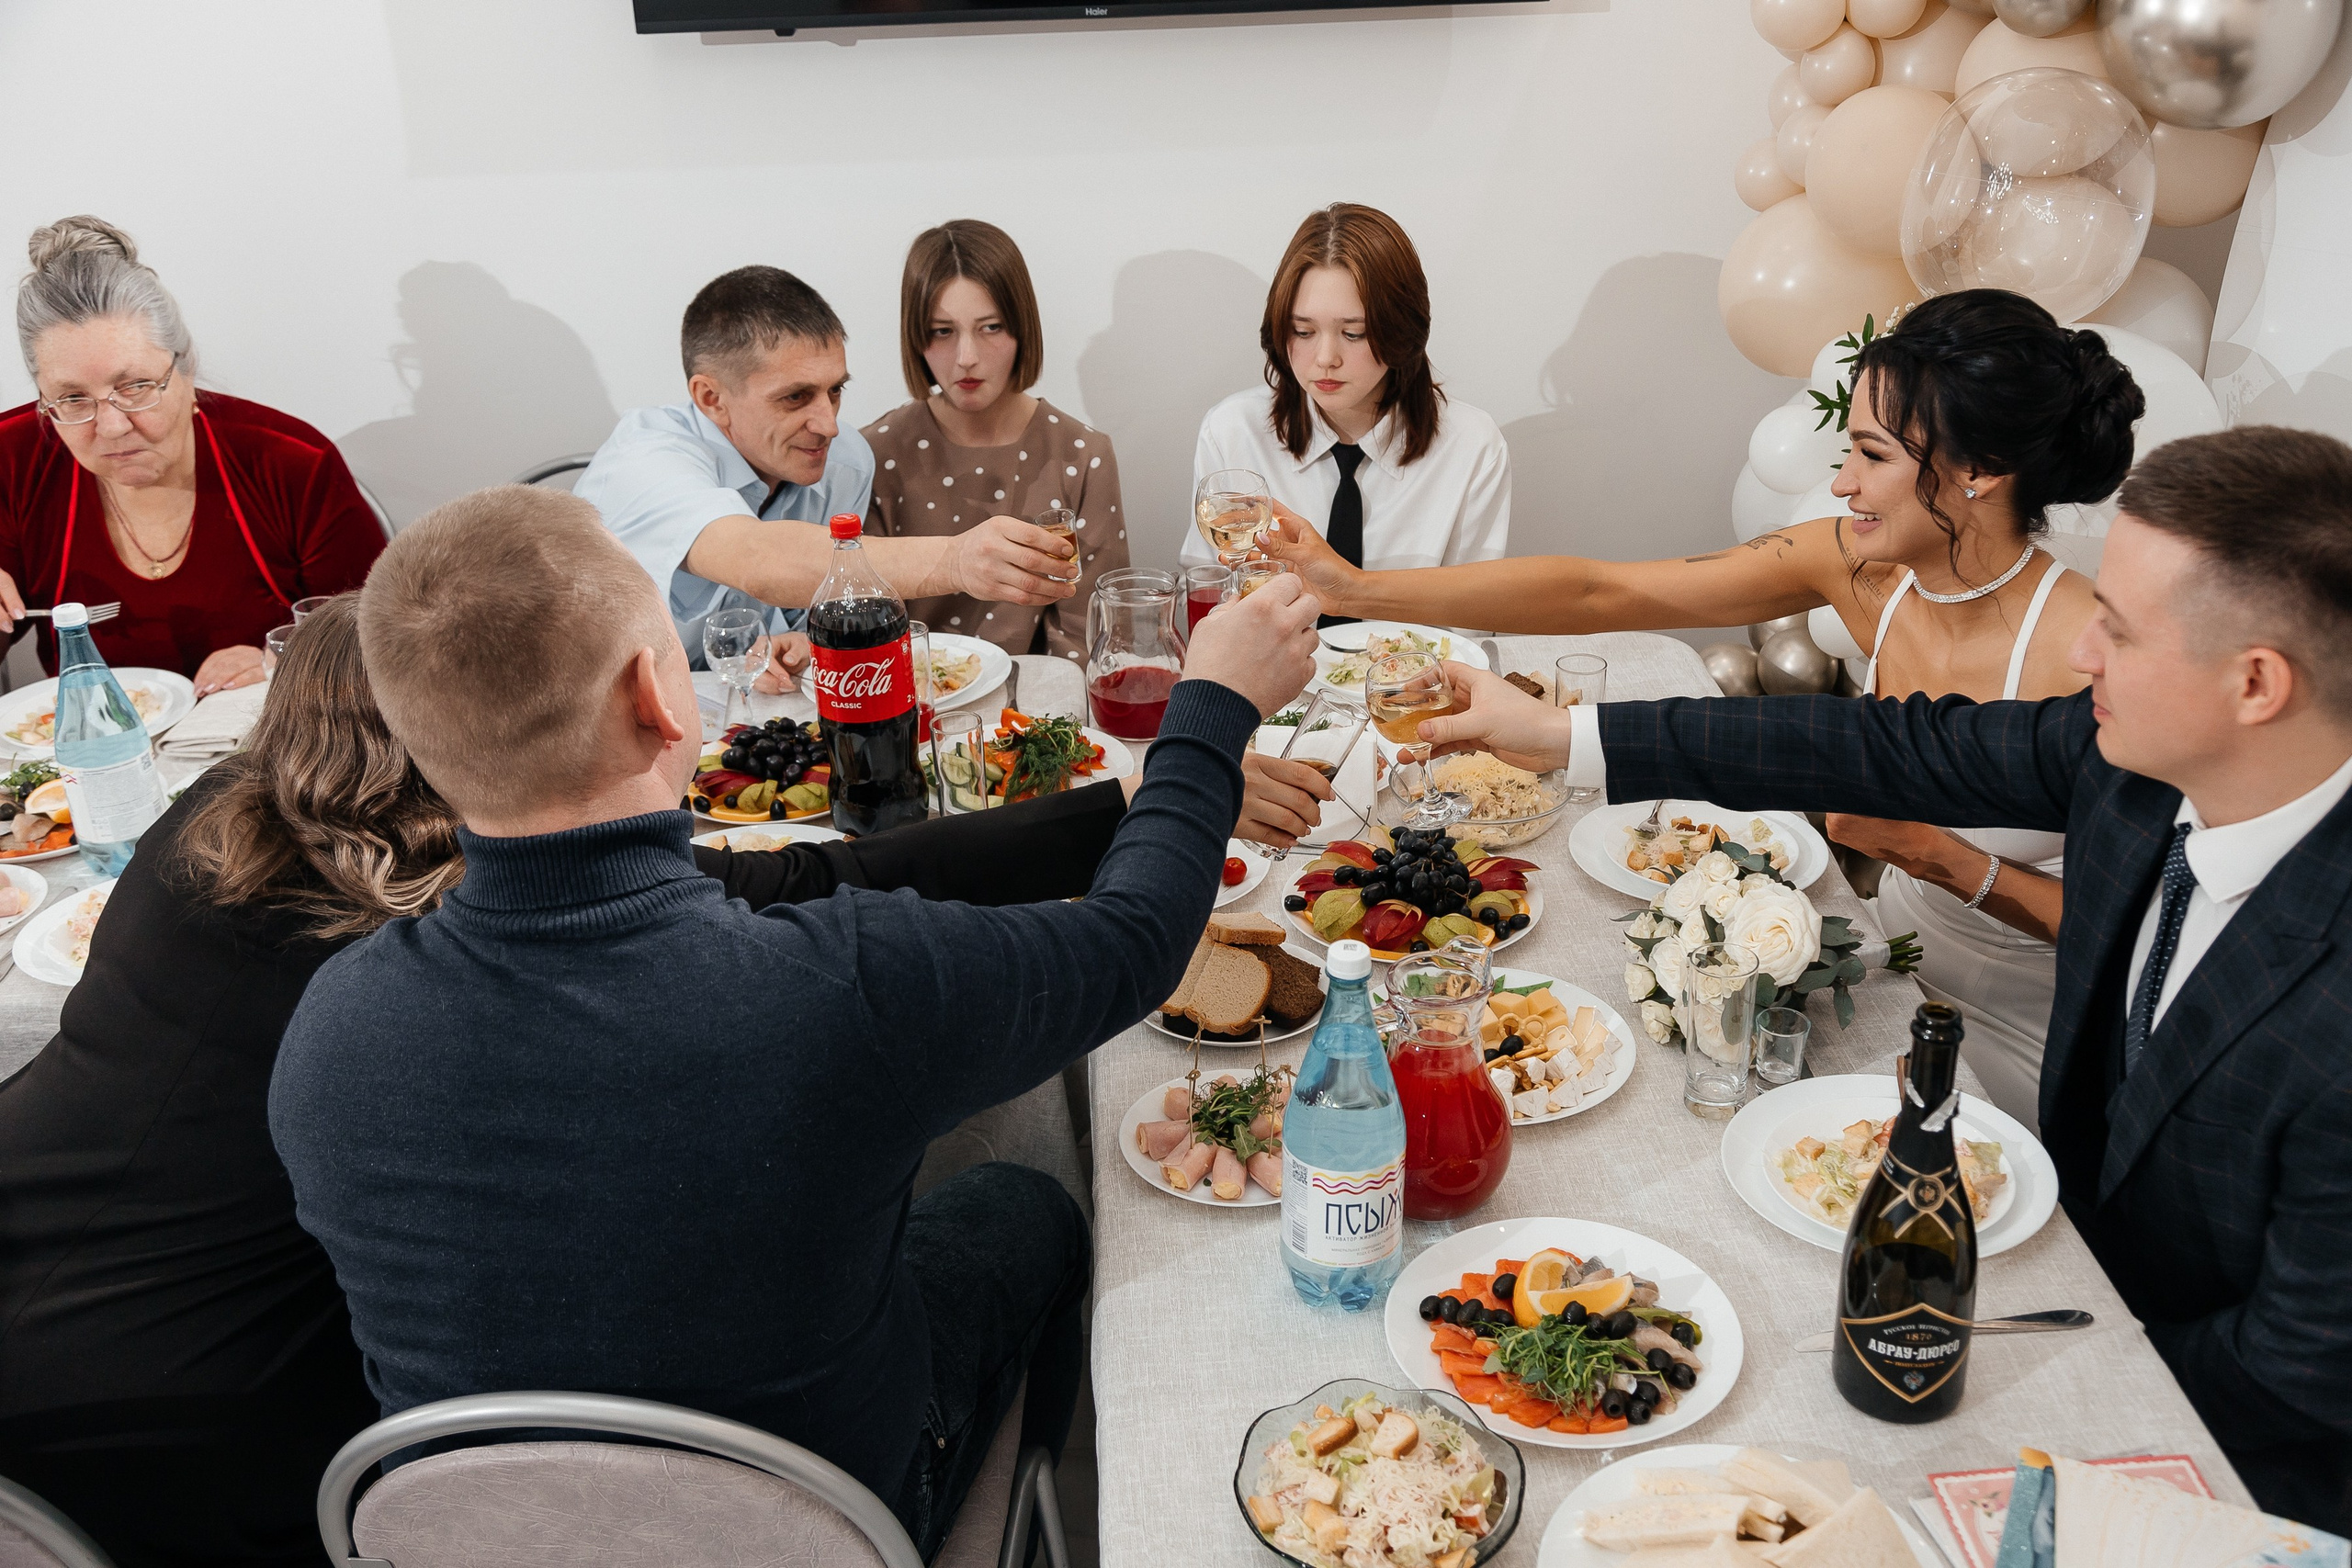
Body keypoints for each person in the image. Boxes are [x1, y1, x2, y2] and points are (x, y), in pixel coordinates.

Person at [267, 485, 1320, 1554]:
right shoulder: (838, 991)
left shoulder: (326, 1029)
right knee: (1023, 1199)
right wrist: (1214, 707)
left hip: (473, 1538)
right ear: (657, 697)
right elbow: (1135, 942)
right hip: (815, 1524)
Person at [1414, 425, 2352, 1534]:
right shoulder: (2141, 769)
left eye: (2122, 629)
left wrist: (2026, 1368)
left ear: (2255, 683)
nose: (2085, 652)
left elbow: (2298, 1371)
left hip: (2218, 1468)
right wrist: (1557, 731)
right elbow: (1872, 746)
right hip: (2056, 1291)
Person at [1261, 290, 2146, 1127]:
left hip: (2039, 1016)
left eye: (1873, 456)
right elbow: (1603, 592)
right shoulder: (1865, 567)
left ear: (1979, 472)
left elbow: (2144, 931)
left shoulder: (2091, 654)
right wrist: (1360, 586)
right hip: (1883, 963)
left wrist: (1946, 860)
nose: (1841, 484)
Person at [574, 264, 1078, 694]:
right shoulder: (647, 460)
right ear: (711, 398)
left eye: (834, 390)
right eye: (795, 397)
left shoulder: (845, 460)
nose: (829, 424)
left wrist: (795, 645)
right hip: (601, 714)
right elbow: (757, 557)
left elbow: (808, 607)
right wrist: (958, 560)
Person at [0, 216, 384, 694]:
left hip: (275, 745)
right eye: (73, 399)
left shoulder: (291, 462)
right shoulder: (12, 460)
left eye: (136, 386)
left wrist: (285, 661)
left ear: (186, 367)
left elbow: (379, 636)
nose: (113, 426)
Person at [1184, 203, 1510, 592]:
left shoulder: (1471, 446)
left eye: (1353, 334)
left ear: (1400, 330)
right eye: (1303, 331)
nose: (1326, 359)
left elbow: (1469, 617)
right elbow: (1207, 592)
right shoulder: (1233, 433)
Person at [861, 220, 1128, 663]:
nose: (967, 357)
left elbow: (1092, 642)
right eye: (943, 331)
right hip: (910, 707)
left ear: (1022, 328)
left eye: (990, 327)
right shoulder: (874, 454)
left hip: (1038, 715)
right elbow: (864, 630)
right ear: (916, 337)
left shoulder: (1082, 455)